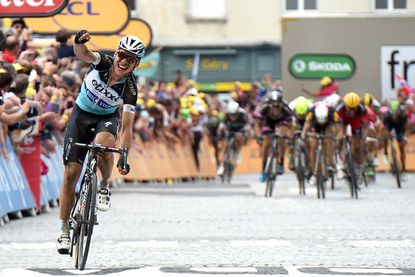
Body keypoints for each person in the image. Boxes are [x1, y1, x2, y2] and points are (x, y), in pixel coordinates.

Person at [57, 30, 145, 254]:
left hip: (106, 118)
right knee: (70, 175)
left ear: (136, 64)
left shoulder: (130, 89)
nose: (124, 62)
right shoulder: (103, 62)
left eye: (131, 59)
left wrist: (123, 156)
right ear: (116, 54)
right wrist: (78, 42)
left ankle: (104, 185)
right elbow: (83, 54)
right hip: (80, 115)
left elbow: (126, 127)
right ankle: (64, 229)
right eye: (122, 55)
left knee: (104, 145)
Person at [254, 90, 292, 181]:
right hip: (268, 122)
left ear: (281, 105)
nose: (276, 109)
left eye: (278, 106)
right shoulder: (264, 108)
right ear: (269, 105)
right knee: (266, 143)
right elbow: (257, 124)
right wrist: (259, 136)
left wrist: (289, 136)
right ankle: (263, 170)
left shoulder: (286, 109)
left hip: (281, 122)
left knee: (282, 136)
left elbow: (290, 126)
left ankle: (281, 163)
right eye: (273, 106)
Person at [216, 101, 249, 176]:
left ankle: (238, 151)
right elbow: (221, 125)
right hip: (230, 128)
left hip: (240, 128)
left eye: (235, 115)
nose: (233, 117)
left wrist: (246, 136)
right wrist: (220, 133)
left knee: (239, 137)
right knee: (225, 143)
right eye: (231, 115)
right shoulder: (226, 114)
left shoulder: (243, 114)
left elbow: (247, 127)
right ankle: (222, 165)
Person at [383, 100, 408, 174]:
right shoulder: (387, 115)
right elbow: (386, 129)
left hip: (400, 127)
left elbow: (406, 127)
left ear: (399, 112)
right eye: (392, 114)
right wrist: (388, 135)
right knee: (385, 137)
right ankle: (386, 153)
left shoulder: (403, 114)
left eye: (396, 114)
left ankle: (403, 167)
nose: (394, 116)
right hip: (390, 125)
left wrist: (404, 137)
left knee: (401, 147)